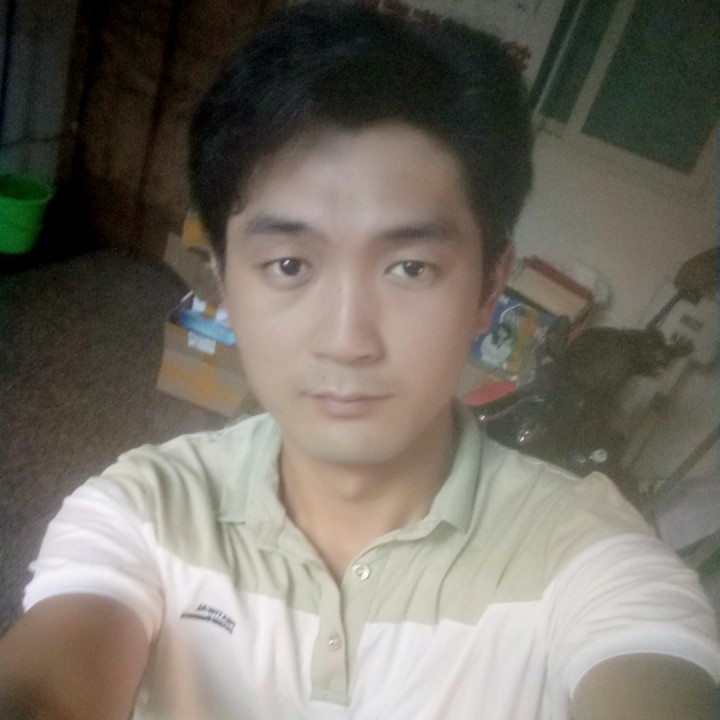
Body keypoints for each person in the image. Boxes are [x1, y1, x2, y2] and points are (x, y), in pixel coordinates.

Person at [1, 3, 718, 718]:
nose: (347, 340)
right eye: (288, 264)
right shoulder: (145, 510)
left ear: (489, 287)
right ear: (222, 281)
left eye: (410, 268)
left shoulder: (586, 556)